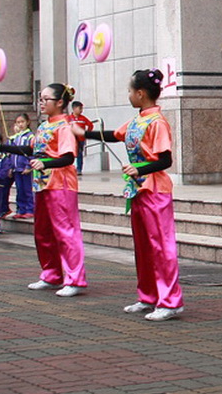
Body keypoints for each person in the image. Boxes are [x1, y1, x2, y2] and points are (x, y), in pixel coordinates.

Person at [76, 69, 185, 321]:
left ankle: (170, 301)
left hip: (155, 190)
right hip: (138, 190)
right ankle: (148, 296)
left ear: (140, 93)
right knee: (144, 247)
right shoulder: (138, 120)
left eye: (129, 91)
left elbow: (165, 160)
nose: (128, 95)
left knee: (161, 247)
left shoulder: (158, 123)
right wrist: (84, 134)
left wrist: (140, 167)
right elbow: (115, 135)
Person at [0, 84, 88, 295]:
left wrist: (46, 163)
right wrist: (2, 147)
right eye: (41, 99)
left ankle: (74, 279)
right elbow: (31, 149)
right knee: (43, 232)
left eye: (46, 99)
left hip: (61, 184)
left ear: (60, 102)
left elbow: (68, 157)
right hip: (42, 185)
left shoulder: (65, 126)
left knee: (66, 232)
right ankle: (51, 274)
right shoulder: (45, 126)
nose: (42, 103)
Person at [6, 114, 35, 219]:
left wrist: (28, 166)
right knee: (19, 190)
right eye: (18, 122)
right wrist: (10, 167)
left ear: (27, 122)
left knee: (28, 189)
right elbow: (10, 153)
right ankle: (21, 209)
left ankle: (30, 209)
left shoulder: (30, 137)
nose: (20, 124)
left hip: (25, 168)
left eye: (22, 122)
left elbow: (32, 152)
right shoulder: (15, 137)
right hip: (16, 168)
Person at [69, 101, 94, 175]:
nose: (81, 110)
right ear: (74, 108)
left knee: (79, 154)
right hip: (71, 140)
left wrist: (86, 134)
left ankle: (79, 169)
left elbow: (90, 125)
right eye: (79, 108)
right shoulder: (69, 118)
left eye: (81, 108)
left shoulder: (83, 118)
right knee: (70, 154)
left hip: (80, 140)